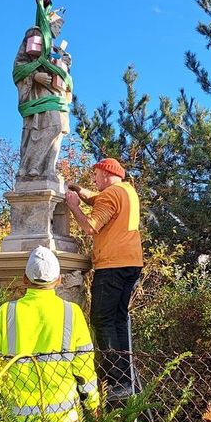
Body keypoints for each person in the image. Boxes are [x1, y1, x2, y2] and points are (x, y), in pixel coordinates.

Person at [0, 246, 98, 422]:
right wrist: (93, 402)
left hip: (17, 416)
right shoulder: (71, 313)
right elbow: (84, 366)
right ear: (58, 280)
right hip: (63, 415)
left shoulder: (6, 313)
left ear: (25, 279)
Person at [64, 158, 144, 398]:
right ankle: (126, 377)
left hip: (112, 265)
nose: (94, 179)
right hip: (131, 263)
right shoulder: (127, 191)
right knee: (118, 320)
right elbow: (99, 199)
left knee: (102, 320)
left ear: (107, 173)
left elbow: (91, 226)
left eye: (96, 174)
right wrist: (80, 190)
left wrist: (73, 205)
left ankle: (118, 381)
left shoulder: (110, 195)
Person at [12, 24, 72, 182]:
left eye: (61, 25)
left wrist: (64, 63)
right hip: (39, 94)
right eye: (57, 24)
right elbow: (18, 68)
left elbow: (64, 72)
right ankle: (30, 166)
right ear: (48, 22)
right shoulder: (34, 35)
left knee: (59, 131)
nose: (60, 28)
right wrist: (34, 76)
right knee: (51, 127)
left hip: (57, 94)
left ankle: (48, 169)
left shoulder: (57, 49)